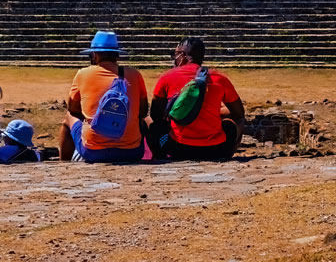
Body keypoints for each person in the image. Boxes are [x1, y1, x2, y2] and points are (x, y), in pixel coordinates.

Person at [148, 37, 244, 162]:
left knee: (148, 121)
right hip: (216, 148)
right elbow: (239, 113)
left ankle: (159, 157)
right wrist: (213, 111)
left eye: (175, 54)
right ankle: (226, 156)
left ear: (182, 56)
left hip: (177, 147)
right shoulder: (219, 78)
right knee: (238, 123)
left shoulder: (167, 77)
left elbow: (155, 115)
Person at [60, 31, 148, 163]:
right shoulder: (135, 75)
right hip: (132, 152)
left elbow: (73, 109)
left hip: (93, 151)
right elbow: (142, 111)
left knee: (68, 117)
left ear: (94, 54)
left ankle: (64, 163)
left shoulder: (83, 74)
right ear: (117, 55)